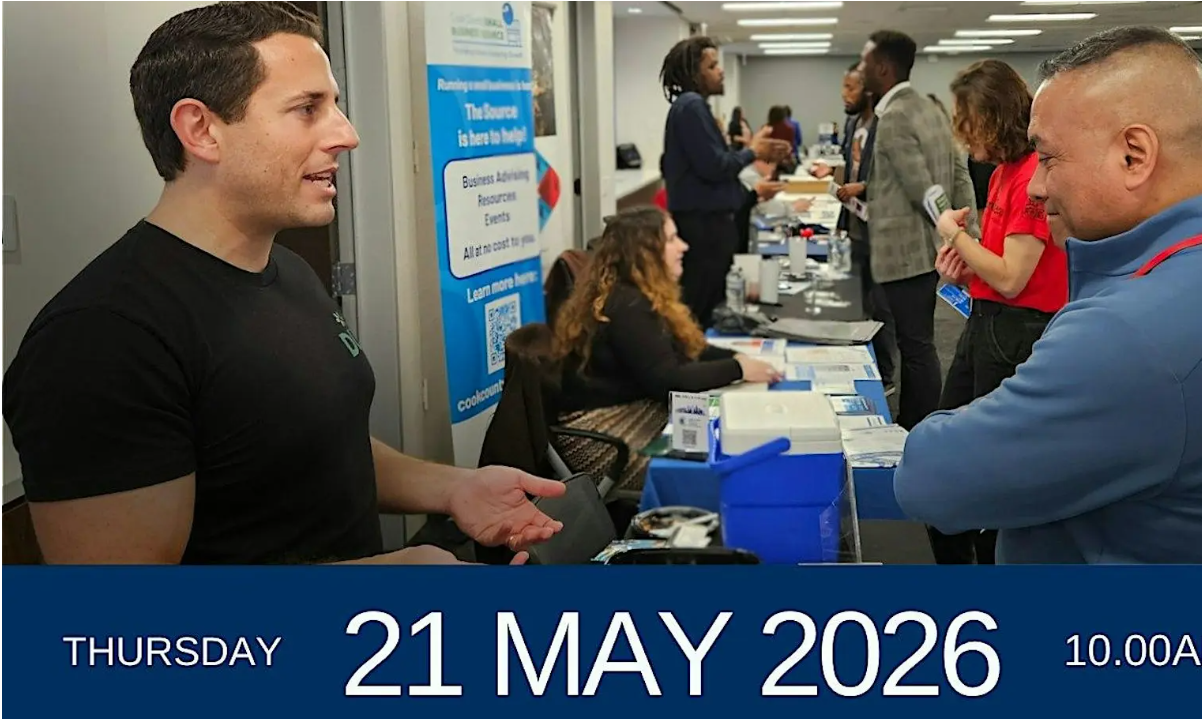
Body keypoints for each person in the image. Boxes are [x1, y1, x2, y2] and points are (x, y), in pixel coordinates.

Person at [0, 2, 566, 565]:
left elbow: (313, 446)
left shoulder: (289, 271)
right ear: (201, 130)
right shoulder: (101, 339)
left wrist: (452, 488)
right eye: (306, 109)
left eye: (335, 106)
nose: (346, 135)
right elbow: (121, 623)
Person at [893, 26, 1202, 564]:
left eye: (1049, 158)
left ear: (1134, 155)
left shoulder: (1131, 331)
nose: (1036, 185)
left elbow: (929, 481)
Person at [925, 59, 1068, 565]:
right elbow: (1000, 268)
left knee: (993, 462)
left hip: (1017, 330)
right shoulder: (1008, 171)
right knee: (948, 439)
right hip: (988, 320)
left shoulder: (1032, 174)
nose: (964, 139)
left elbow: (1013, 276)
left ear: (991, 118)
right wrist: (967, 268)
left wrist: (955, 234)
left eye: (968, 125)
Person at [858, 29, 979, 429]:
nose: (860, 71)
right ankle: (917, 422)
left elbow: (921, 186)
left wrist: (950, 226)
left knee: (916, 347)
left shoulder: (894, 117)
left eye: (864, 63)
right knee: (918, 344)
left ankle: (917, 426)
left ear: (882, 68)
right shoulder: (928, 109)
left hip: (904, 253)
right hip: (924, 251)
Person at [555, 207, 781, 407]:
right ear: (645, 253)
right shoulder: (627, 305)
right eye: (672, 239)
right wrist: (737, 369)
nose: (684, 246)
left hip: (632, 404)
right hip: (610, 421)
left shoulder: (640, 293)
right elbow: (669, 379)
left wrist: (738, 357)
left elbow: (685, 349)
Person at [660, 36, 790, 328]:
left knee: (707, 303)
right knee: (700, 307)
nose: (720, 71)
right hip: (703, 228)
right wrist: (752, 151)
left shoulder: (692, 107)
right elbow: (715, 167)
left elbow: (714, 164)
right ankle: (693, 363)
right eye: (712, 65)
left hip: (709, 224)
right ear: (695, 73)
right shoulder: (691, 106)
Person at [833, 63, 898, 392]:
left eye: (851, 89)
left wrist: (864, 187)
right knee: (857, 301)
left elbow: (894, 178)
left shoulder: (885, 125)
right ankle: (859, 363)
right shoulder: (851, 123)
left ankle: (885, 375)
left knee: (881, 307)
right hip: (856, 226)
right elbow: (850, 167)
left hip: (882, 230)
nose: (845, 95)